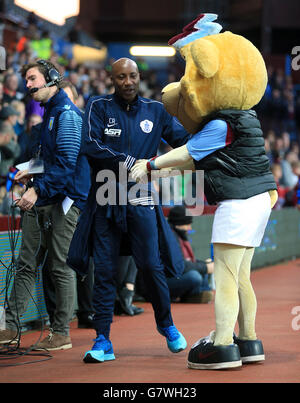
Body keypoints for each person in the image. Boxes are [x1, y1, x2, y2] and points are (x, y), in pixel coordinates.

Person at [67, 57, 190, 363]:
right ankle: (103, 340)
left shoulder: (156, 111)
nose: (127, 82)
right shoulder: (98, 107)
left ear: (139, 78)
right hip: (105, 199)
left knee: (150, 264)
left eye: (132, 76)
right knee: (105, 271)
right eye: (121, 77)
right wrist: (128, 163)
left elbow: (184, 141)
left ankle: (168, 326)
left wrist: (208, 131)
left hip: (141, 198)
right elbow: (90, 145)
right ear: (113, 79)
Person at [0, 59, 90, 350]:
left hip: (65, 199)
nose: (27, 85)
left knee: (60, 265)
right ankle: (9, 328)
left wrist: (36, 190)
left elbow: (66, 164)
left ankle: (61, 333)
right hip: (47, 195)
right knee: (25, 264)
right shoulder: (50, 114)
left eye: (31, 78)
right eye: (25, 80)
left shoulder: (66, 115)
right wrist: (27, 171)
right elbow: (49, 160)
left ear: (51, 78)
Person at [166, 205, 214, 303]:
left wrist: (205, 265)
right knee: (194, 276)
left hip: (175, 276)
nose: (189, 228)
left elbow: (189, 262)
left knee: (201, 268)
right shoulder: (169, 238)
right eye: (187, 224)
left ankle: (198, 293)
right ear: (178, 224)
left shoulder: (178, 235)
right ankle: (194, 294)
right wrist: (206, 267)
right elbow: (180, 266)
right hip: (164, 281)